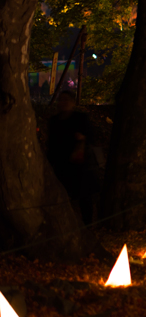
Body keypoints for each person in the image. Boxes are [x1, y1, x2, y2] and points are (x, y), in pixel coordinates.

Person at [47, 90, 95, 223]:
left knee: (84, 196)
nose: (63, 103)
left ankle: (87, 224)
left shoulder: (80, 118)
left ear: (73, 102)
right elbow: (51, 145)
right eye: (61, 100)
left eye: (66, 100)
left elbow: (91, 136)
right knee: (63, 195)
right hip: (62, 164)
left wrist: (83, 137)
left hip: (80, 164)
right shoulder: (55, 121)